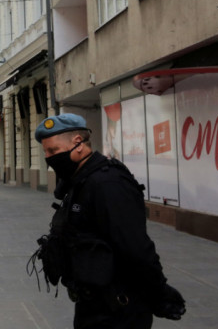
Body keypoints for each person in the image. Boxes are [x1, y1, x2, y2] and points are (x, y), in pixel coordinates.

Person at [31, 114, 185, 329]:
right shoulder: (81, 180)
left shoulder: (107, 182)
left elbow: (136, 247)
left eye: (53, 151)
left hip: (119, 307)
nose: (49, 157)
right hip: (93, 303)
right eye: (46, 152)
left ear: (78, 143)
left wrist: (159, 292)